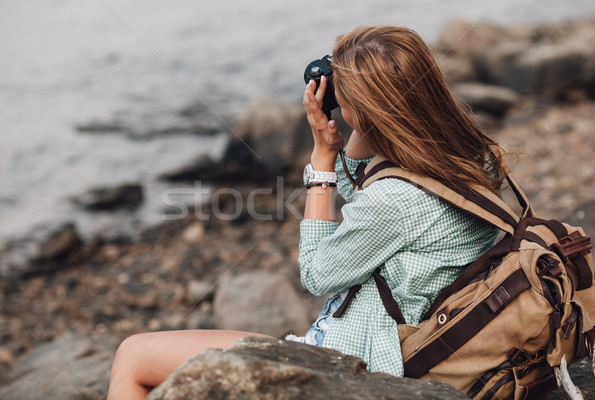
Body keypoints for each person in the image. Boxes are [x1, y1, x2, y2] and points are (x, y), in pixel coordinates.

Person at [107, 25, 503, 398]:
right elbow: (364, 192)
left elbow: (316, 274)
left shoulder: (396, 202)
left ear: (369, 113)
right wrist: (352, 128)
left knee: (132, 357)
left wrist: (321, 163)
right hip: (402, 342)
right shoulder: (473, 161)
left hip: (348, 361)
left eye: (349, 105)